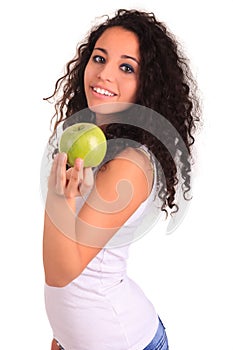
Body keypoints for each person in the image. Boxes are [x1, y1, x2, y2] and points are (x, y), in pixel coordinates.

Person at [42, 9, 201, 350]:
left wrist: (59, 196)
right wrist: (63, 335)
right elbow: (78, 263)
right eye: (99, 58)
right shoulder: (96, 141)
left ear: (147, 85)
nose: (103, 74)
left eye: (126, 67)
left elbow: (60, 273)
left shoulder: (129, 163)